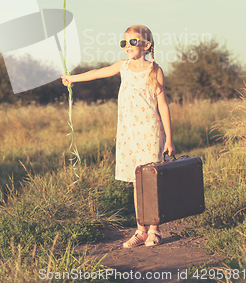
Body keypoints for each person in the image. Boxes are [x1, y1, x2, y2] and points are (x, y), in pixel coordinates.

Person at [62, 25, 176, 248]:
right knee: (136, 183)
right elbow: (97, 73)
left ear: (146, 45)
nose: (127, 47)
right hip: (128, 133)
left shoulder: (154, 69)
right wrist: (73, 78)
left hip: (150, 132)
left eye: (133, 42)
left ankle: (155, 230)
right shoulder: (122, 67)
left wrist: (169, 138)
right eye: (124, 43)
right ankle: (141, 229)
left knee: (150, 181)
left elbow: (163, 105)